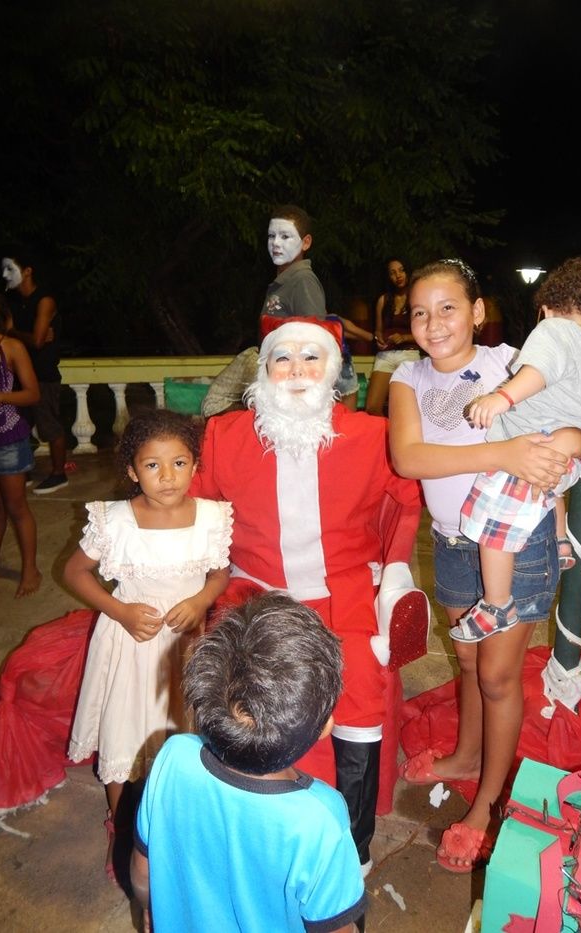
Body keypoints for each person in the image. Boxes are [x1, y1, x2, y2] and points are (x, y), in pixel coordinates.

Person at [190, 316, 426, 876]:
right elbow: (197, 514)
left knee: (361, 689)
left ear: (333, 370)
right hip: (254, 595)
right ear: (265, 370)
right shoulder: (224, 436)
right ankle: (245, 818)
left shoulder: (371, 435)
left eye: (311, 358)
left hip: (341, 594)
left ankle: (354, 840)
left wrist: (394, 573)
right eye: (283, 359)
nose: (297, 370)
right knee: (240, 692)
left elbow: (409, 502)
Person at [388, 258, 581, 873]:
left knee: (500, 677)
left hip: (520, 543)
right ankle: (467, 754)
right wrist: (503, 449)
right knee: (472, 661)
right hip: (454, 543)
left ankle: (487, 801)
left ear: (478, 312)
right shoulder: (408, 378)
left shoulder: (511, 363)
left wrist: (579, 441)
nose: (434, 323)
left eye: (449, 307)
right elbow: (409, 457)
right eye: (420, 312)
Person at [130, 592, 367, 933]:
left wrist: (149, 907)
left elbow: (142, 872)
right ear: (325, 726)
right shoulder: (319, 818)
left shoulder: (173, 758)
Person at [64, 409, 233, 882]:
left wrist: (201, 600)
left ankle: (176, 821)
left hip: (184, 645)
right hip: (128, 641)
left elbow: (220, 572)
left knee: (180, 729)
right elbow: (74, 572)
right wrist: (119, 611)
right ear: (132, 471)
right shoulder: (115, 520)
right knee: (124, 730)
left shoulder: (212, 517)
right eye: (153, 465)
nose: (167, 477)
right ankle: (123, 828)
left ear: (195, 465)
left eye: (179, 463)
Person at [453, 256, 581, 642]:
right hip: (563, 463)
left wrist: (503, 397)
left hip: (527, 458)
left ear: (548, 308)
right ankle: (561, 540)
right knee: (550, 492)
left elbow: (536, 374)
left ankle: (497, 604)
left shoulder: (552, 331)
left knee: (493, 530)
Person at [202, 204, 369, 416]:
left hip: (288, 370)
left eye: (285, 236)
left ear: (306, 242)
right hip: (276, 364)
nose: (276, 243)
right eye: (271, 236)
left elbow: (315, 337)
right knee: (223, 405)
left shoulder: (302, 280)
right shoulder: (284, 281)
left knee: (215, 403)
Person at [1, 249, 68, 494]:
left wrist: (13, 332)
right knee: (20, 424)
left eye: (10, 268)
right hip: (19, 376)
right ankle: (24, 470)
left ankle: (59, 473)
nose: (5, 274)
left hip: (43, 375)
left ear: (28, 271)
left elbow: (38, 341)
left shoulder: (44, 300)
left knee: (50, 425)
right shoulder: (16, 304)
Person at [0, 290, 42, 596]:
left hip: (8, 437)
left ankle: (30, 569)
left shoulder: (10, 346)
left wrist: (0, 397)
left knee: (16, 506)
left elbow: (32, 394)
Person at [365, 258, 419, 416]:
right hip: (386, 355)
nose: (398, 275)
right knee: (372, 407)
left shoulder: (417, 298)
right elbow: (378, 331)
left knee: (408, 408)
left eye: (401, 270)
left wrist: (405, 337)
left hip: (409, 354)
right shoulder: (383, 300)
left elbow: (427, 333)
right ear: (388, 277)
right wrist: (379, 339)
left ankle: (404, 438)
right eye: (393, 272)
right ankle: (386, 438)